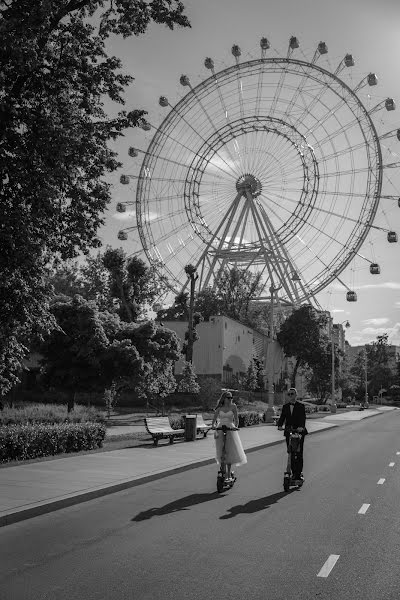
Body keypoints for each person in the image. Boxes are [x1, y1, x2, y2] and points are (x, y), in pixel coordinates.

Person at [211, 391, 247, 479]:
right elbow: (214, 418)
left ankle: (228, 472)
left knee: (229, 451)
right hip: (220, 429)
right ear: (224, 398)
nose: (230, 399)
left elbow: (236, 419)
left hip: (230, 429)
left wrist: (236, 427)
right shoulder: (220, 407)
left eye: (231, 398)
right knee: (221, 450)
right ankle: (222, 470)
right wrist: (213, 425)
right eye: (229, 398)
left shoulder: (233, 406)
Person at [277, 387, 308, 481]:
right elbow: (282, 417)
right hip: (289, 432)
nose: (290, 396)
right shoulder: (285, 406)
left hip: (299, 432)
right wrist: (279, 425)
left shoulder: (301, 406)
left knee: (298, 453)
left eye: (292, 394)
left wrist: (301, 427)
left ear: (296, 395)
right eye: (289, 394)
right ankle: (293, 472)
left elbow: (303, 418)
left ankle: (298, 474)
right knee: (291, 452)